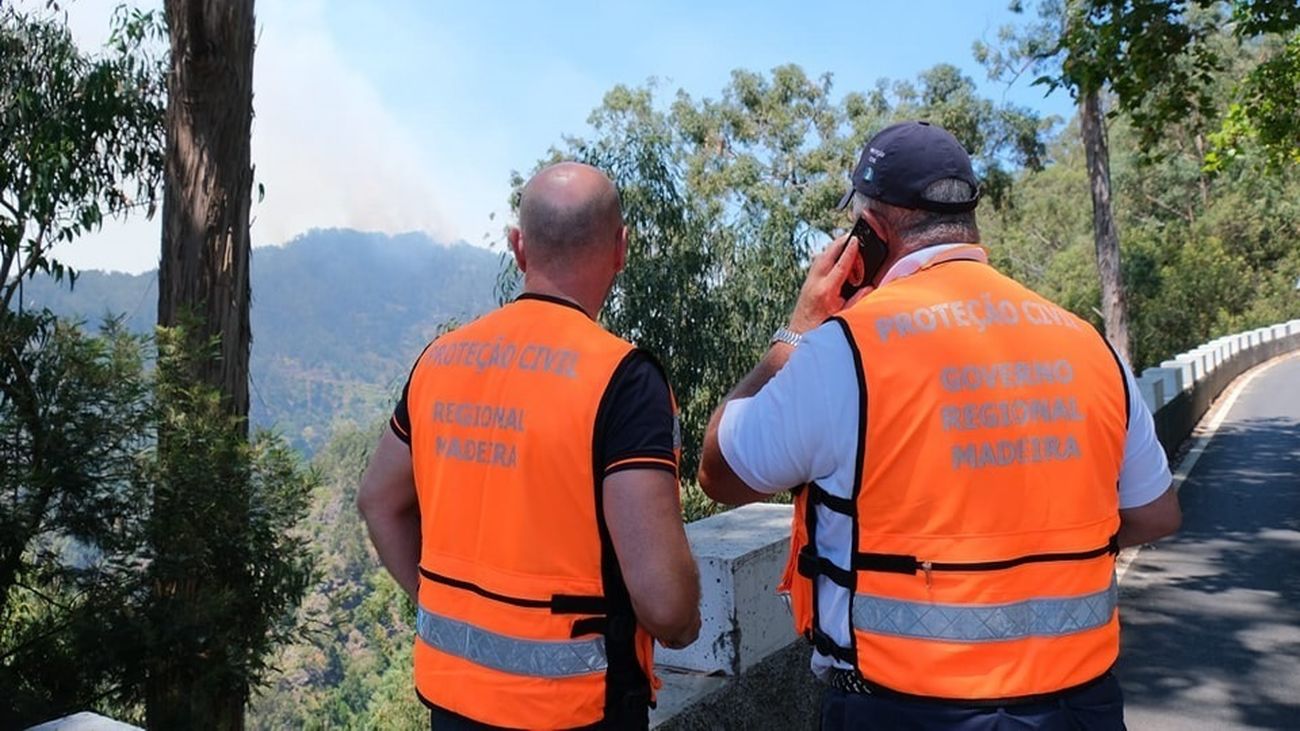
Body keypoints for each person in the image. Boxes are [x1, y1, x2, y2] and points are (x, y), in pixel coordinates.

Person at [697, 121, 1181, 730]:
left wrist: (796, 332)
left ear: (867, 236)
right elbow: (1156, 513)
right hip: (1080, 705)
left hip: (902, 709)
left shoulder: (846, 350)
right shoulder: (1087, 343)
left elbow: (719, 472)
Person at [358, 162, 701, 730]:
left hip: (453, 699)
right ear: (621, 248)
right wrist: (686, 624)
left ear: (518, 247)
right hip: (573, 710)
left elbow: (378, 501)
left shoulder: (440, 360)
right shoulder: (623, 380)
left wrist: (445, 606)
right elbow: (666, 606)